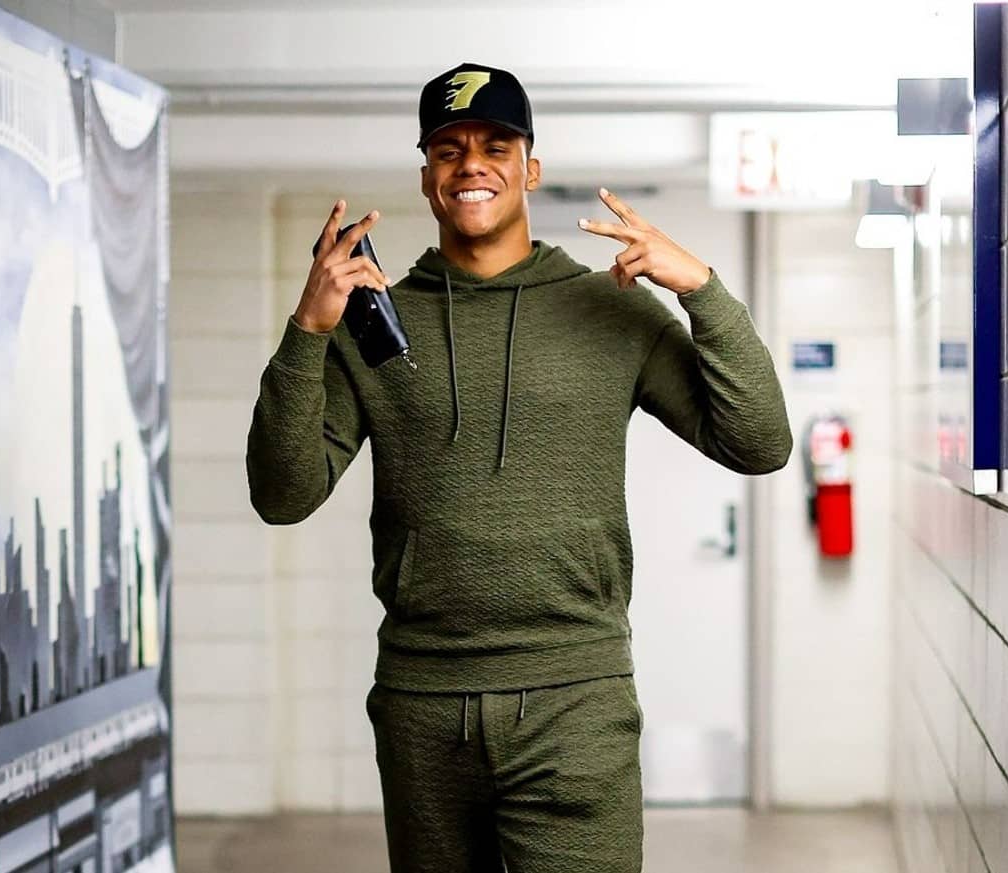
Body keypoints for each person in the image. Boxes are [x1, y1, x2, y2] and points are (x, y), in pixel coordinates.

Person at [246, 61, 792, 873]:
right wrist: (308, 328)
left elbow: (760, 442)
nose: (472, 164)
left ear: (530, 168)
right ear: (428, 178)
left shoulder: (611, 308)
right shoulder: (373, 326)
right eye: (449, 148)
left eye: (496, 144)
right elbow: (282, 495)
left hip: (576, 699)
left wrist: (701, 291)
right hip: (423, 705)